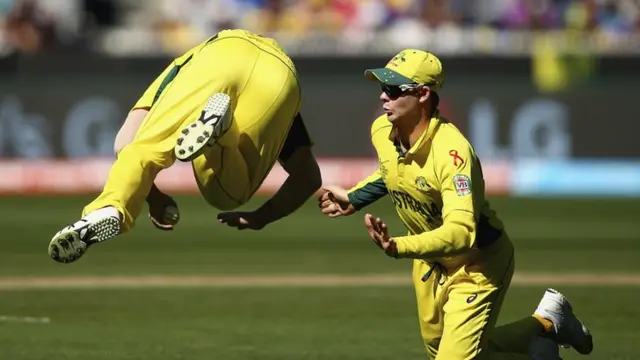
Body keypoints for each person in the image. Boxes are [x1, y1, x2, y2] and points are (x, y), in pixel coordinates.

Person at [318, 49, 593, 359]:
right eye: (383, 88)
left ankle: (543, 332)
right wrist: (354, 198)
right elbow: (393, 172)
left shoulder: (453, 154)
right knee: (449, 352)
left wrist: (399, 246)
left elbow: (463, 232)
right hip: (429, 263)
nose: (383, 98)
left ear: (423, 94)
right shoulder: (382, 130)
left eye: (394, 90)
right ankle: (545, 327)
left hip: (477, 263)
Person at [48, 29, 322, 263]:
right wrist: (262, 217)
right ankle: (223, 131)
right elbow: (308, 177)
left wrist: (152, 197)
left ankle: (109, 208)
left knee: (148, 148)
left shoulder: (184, 65)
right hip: (281, 75)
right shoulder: (283, 102)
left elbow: (126, 144)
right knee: (229, 194)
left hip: (223, 52)